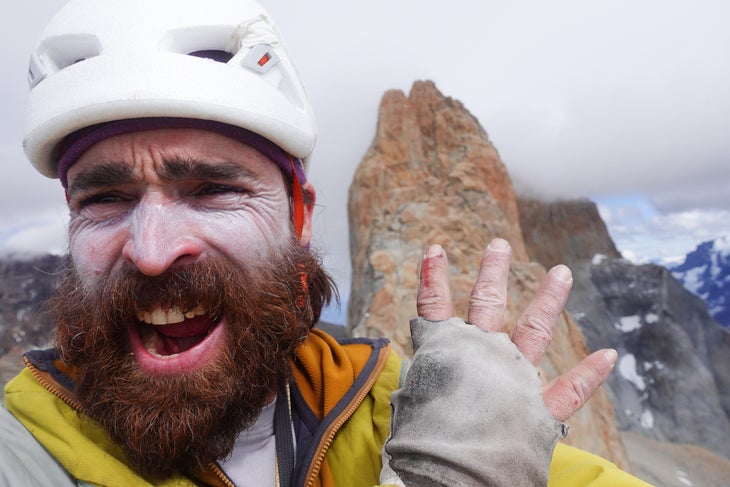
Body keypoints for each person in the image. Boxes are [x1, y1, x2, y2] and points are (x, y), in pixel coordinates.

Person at [1, 0, 651, 485]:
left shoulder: (421, 416)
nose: (151, 249)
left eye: (213, 189)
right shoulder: (23, 449)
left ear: (300, 217)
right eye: (103, 198)